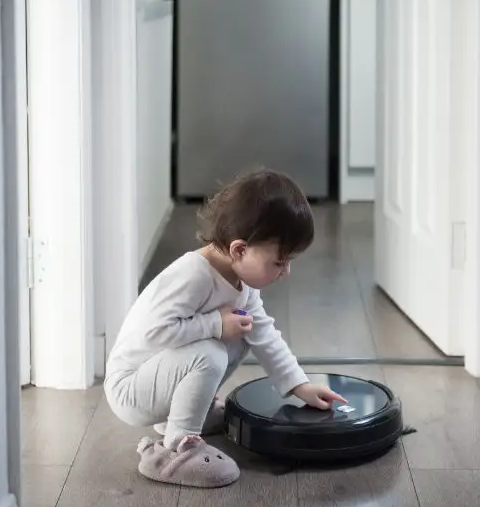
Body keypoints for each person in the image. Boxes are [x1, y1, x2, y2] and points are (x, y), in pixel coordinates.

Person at [103, 168, 347, 488]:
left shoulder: (241, 282)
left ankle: (188, 415)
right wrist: (215, 324)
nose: (286, 272)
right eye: (279, 262)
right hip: (130, 389)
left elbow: (264, 335)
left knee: (244, 328)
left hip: (159, 377)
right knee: (212, 350)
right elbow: (154, 333)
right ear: (239, 250)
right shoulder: (192, 275)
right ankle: (176, 447)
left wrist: (299, 385)